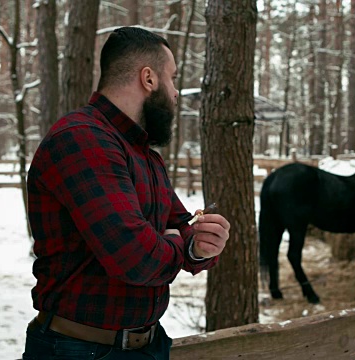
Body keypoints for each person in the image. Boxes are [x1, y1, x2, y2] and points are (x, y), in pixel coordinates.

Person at [22, 27, 230, 359]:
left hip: (148, 345)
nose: (176, 93)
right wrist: (178, 242)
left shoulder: (144, 155)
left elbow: (182, 225)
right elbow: (136, 258)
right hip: (79, 351)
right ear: (148, 79)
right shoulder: (82, 139)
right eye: (172, 79)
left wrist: (201, 245)